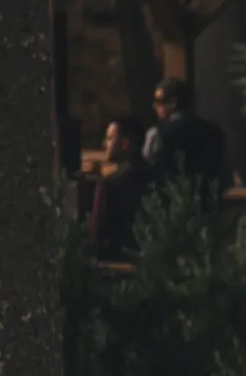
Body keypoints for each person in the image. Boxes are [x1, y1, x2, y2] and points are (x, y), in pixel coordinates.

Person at [143, 77, 229, 197]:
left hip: (175, 201)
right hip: (211, 203)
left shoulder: (161, 134)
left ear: (173, 103)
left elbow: (153, 171)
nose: (154, 106)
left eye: (159, 101)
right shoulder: (213, 130)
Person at [89, 118, 154, 260]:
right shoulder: (155, 177)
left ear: (125, 144)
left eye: (110, 138)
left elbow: (97, 230)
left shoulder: (110, 183)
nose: (104, 143)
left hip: (117, 260)